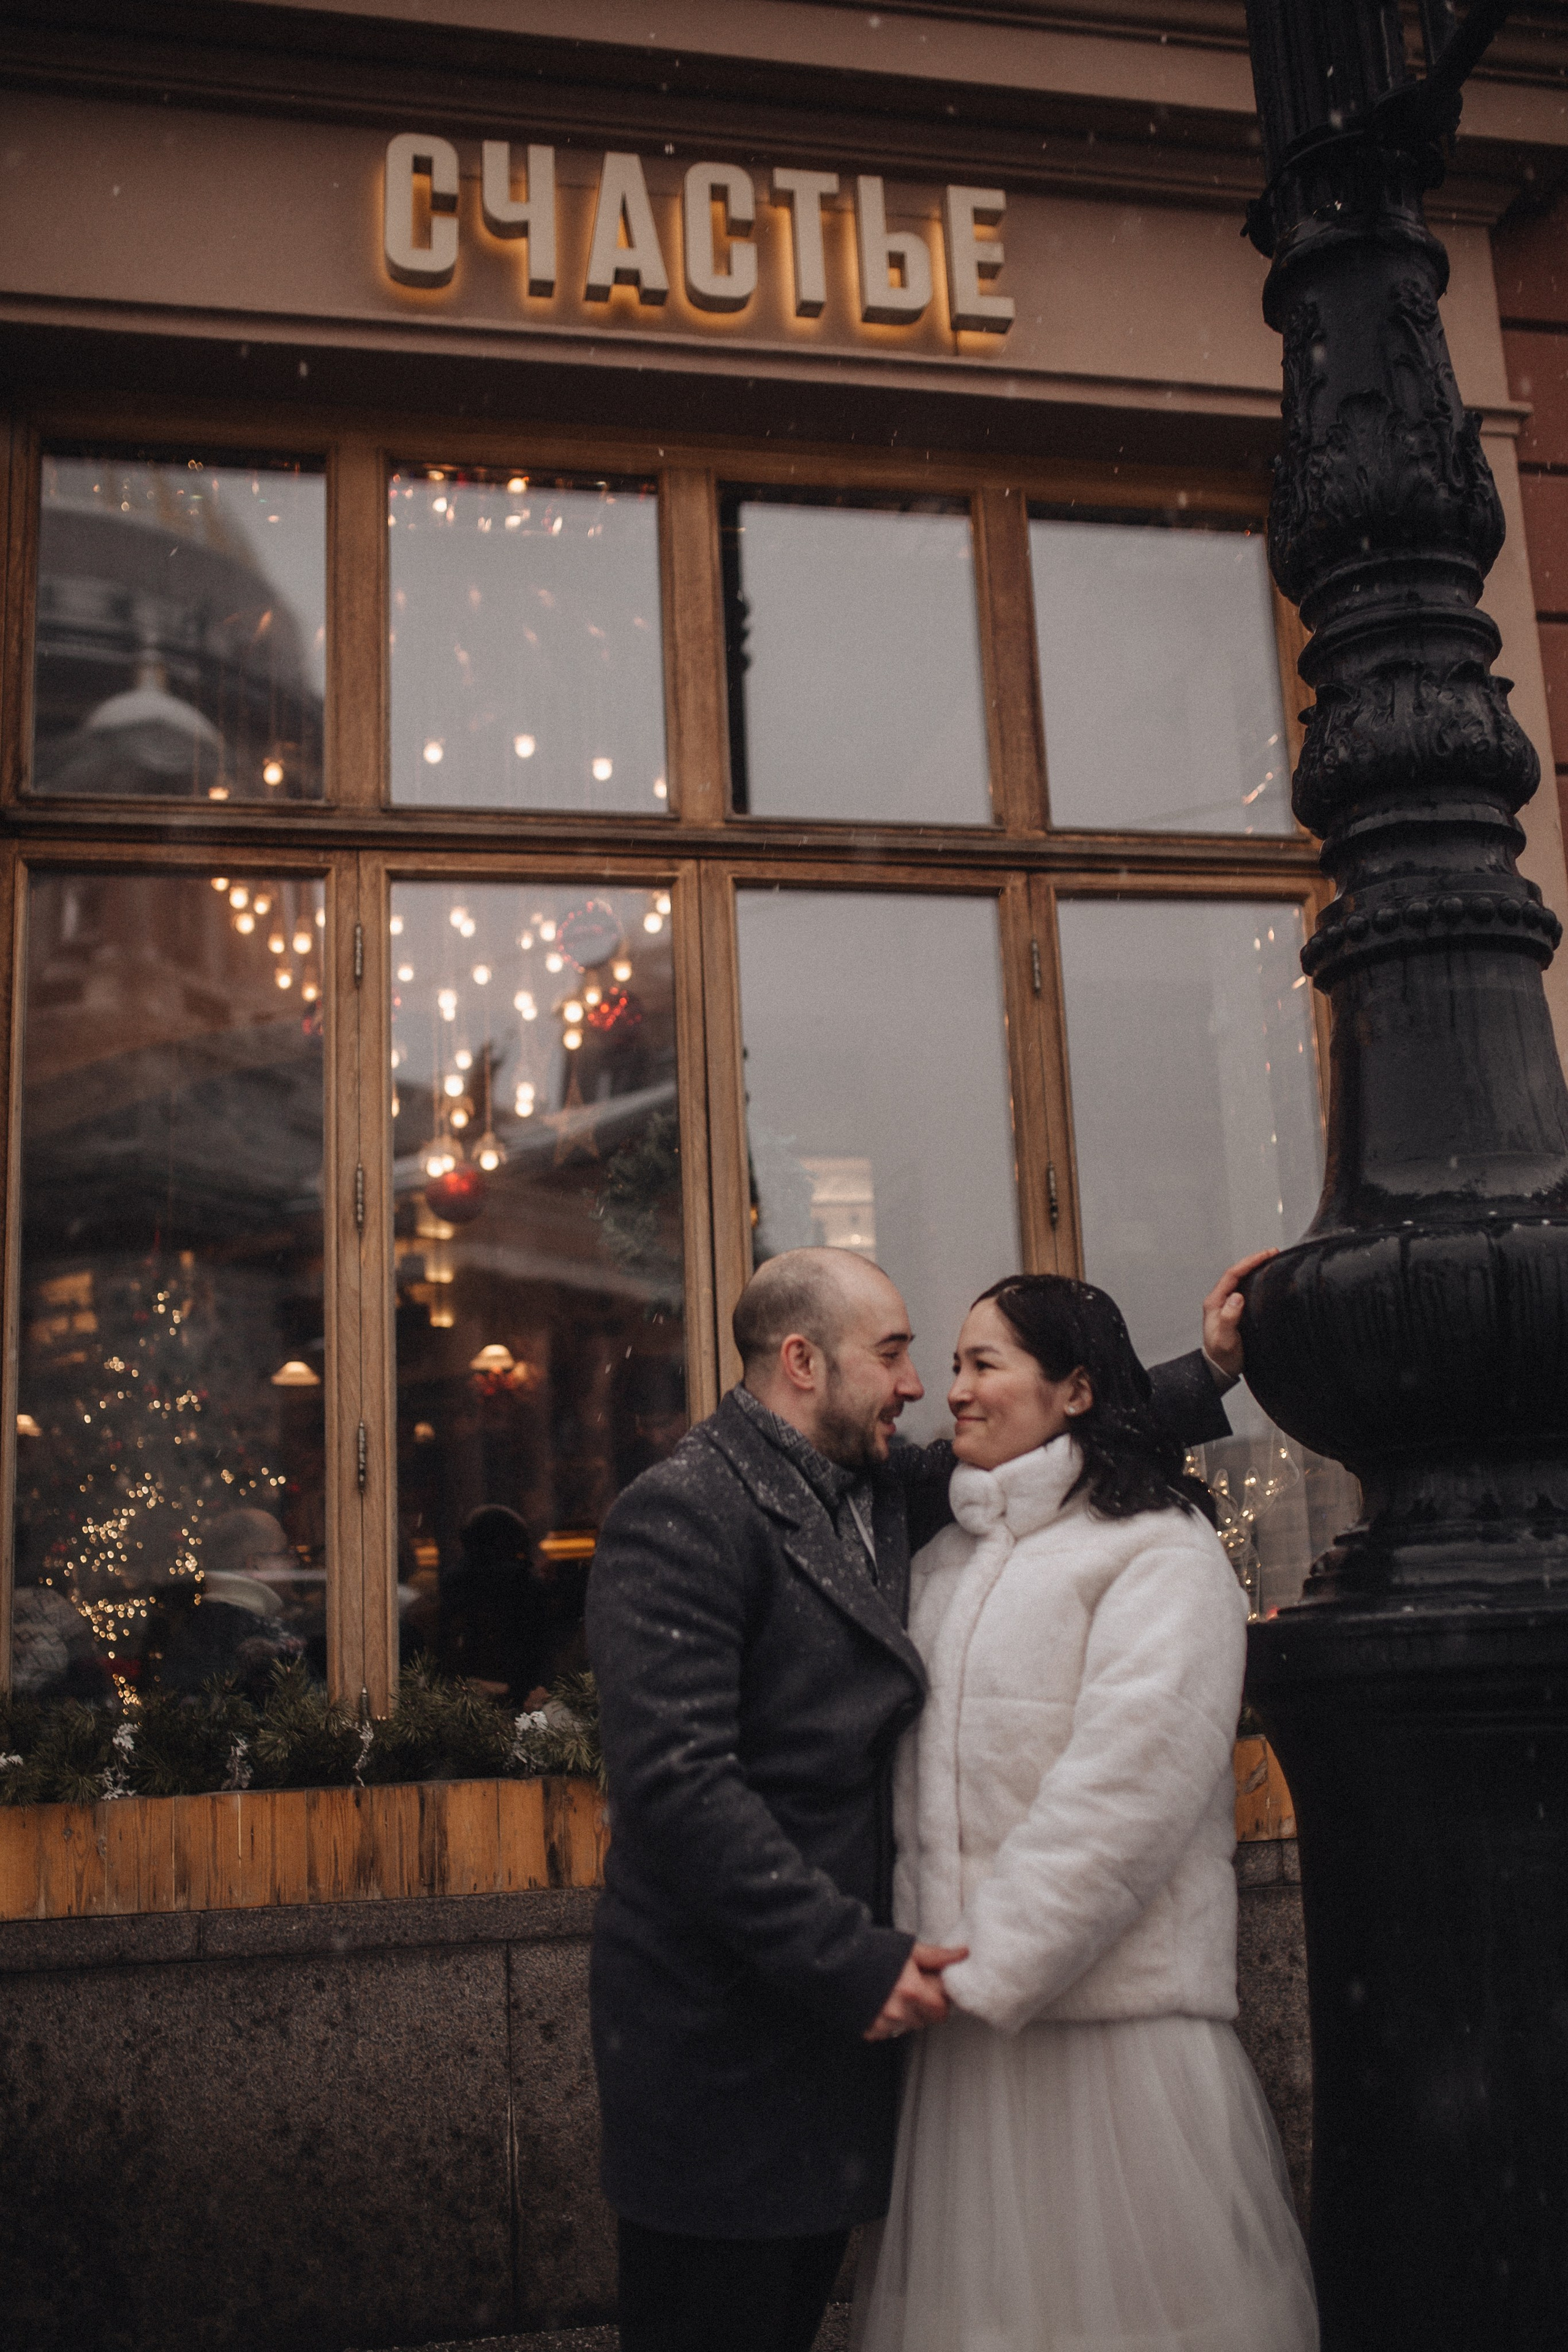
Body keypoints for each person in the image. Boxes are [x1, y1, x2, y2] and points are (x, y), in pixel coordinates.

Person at [586, 1243, 1268, 2352]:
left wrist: (1216, 1369)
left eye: (944, 1360)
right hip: (724, 2040)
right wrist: (856, 1961)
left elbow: (1058, 1421)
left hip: (846, 2046)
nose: (923, 1388)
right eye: (897, 1354)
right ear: (803, 1362)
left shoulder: (882, 1487)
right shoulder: (683, 1513)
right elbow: (676, 1789)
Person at [853, 1274, 1317, 2352]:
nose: (953, 1391)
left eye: (984, 1364)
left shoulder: (1160, 1550)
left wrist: (983, 1963)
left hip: (1113, 2040)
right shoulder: (941, 1558)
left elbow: (1129, 1788)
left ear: (1073, 1390)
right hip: (965, 2047)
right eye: (953, 1365)